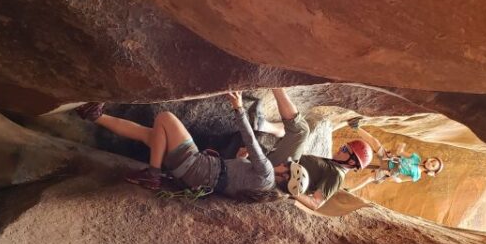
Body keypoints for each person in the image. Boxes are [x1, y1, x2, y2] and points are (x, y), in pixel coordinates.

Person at [74, 92, 279, 201]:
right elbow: (231, 180)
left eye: (288, 166)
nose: (284, 164)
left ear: (285, 175)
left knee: (165, 118)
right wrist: (240, 158)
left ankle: (152, 175)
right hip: (191, 177)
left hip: (196, 164)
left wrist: (239, 108)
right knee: (149, 135)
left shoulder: (268, 174)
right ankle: (95, 116)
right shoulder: (260, 192)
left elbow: (251, 140)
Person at [250, 89, 374, 211]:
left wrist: (291, 189)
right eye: (343, 146)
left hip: (281, 171)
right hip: (281, 166)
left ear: (351, 162)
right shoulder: (332, 165)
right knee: (288, 133)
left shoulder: (336, 176)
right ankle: (262, 124)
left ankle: (276, 87)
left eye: (345, 150)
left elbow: (315, 203)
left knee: (301, 131)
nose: (340, 149)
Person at [345, 117, 443, 192]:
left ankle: (349, 190)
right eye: (432, 161)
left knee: (369, 178)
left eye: (433, 165)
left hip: (389, 170)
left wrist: (393, 177)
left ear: (431, 171)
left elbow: (400, 180)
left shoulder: (416, 176)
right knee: (375, 142)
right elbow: (400, 153)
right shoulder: (416, 158)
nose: (430, 163)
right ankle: (354, 126)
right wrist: (401, 147)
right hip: (389, 158)